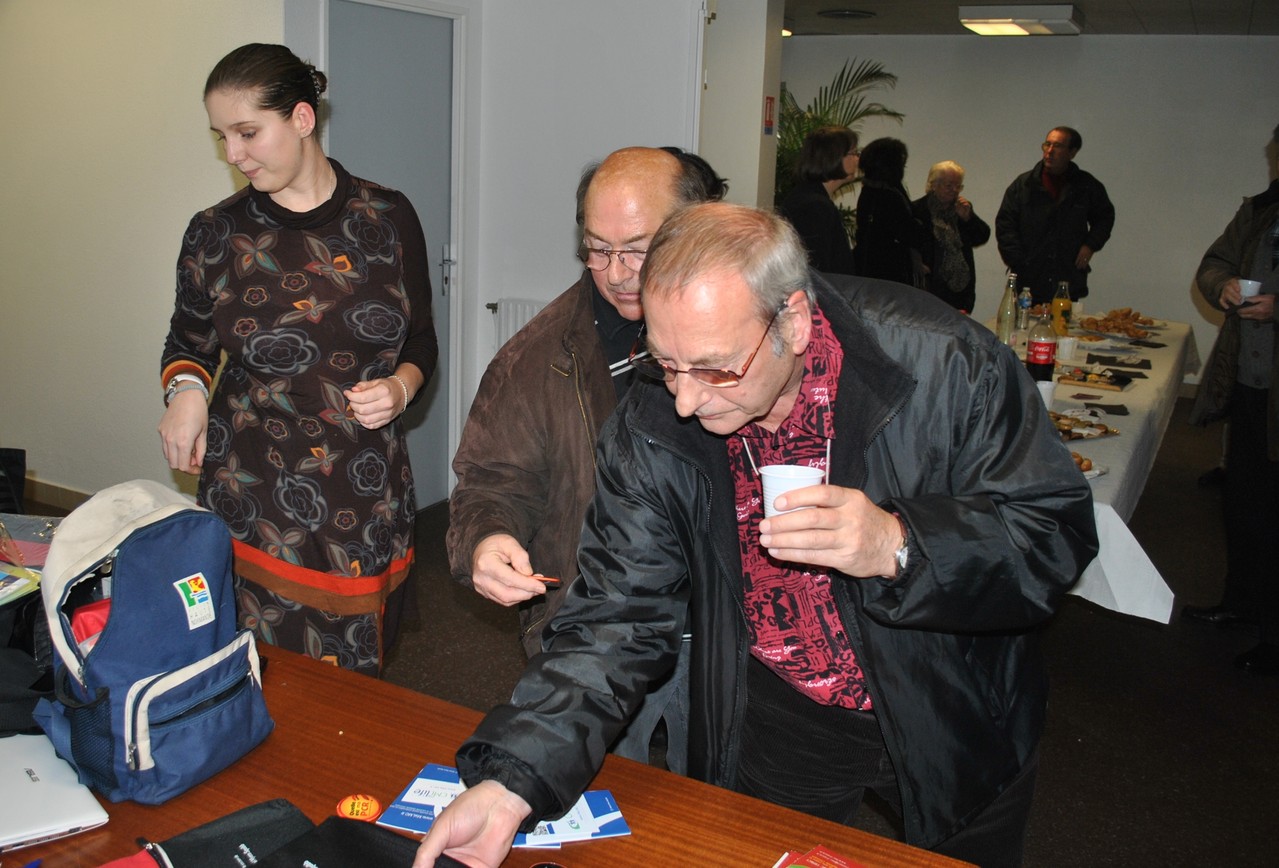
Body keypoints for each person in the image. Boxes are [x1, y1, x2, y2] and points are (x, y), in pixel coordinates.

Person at [415, 202, 1099, 868]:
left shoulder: (948, 363)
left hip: (950, 703)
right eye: (664, 362)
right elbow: (613, 618)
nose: (685, 399)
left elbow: (1051, 536)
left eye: (713, 368)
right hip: (784, 710)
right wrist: (514, 779)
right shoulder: (656, 414)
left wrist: (899, 546)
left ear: (793, 321)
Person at [158, 44, 437, 676]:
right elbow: (189, 342)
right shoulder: (215, 234)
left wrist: (400, 387)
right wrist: (186, 395)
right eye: (221, 136)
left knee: (354, 674)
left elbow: (421, 341)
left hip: (360, 485)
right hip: (251, 483)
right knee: (253, 669)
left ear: (303, 119)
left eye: (248, 132)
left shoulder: (388, 218)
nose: (233, 154)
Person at [447, 146, 725, 771]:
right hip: (601, 622)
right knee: (602, 798)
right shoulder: (535, 357)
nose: (619, 272)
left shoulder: (747, 331)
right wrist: (487, 541)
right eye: (598, 250)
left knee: (723, 806)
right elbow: (492, 480)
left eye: (638, 248)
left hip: (725, 624)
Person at [1183, 122, 1279, 676]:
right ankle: (1241, 603)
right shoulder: (1262, 210)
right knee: (1244, 500)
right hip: (1248, 381)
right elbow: (1214, 259)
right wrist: (1221, 283)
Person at [995, 126, 1116, 305]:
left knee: (1063, 330)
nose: (1049, 151)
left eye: (1057, 146)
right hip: (1029, 281)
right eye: (1047, 144)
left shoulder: (1086, 186)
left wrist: (1090, 245)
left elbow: (1105, 217)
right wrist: (1019, 261)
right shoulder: (1024, 185)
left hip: (1066, 279)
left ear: (1072, 153)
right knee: (1024, 330)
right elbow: (1005, 225)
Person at [911, 160, 991, 314]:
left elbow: (982, 236)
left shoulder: (962, 208)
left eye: (958, 186)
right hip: (930, 288)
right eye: (949, 185)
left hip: (960, 291)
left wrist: (968, 218)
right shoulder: (917, 210)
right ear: (934, 184)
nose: (954, 190)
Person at [777, 126, 859, 275]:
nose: (857, 159)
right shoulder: (813, 206)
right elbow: (817, 271)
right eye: (853, 153)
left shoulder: (811, 197)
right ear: (833, 158)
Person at [854, 137, 924, 287]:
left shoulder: (869, 190)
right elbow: (909, 233)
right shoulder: (889, 194)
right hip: (890, 274)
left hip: (871, 270)